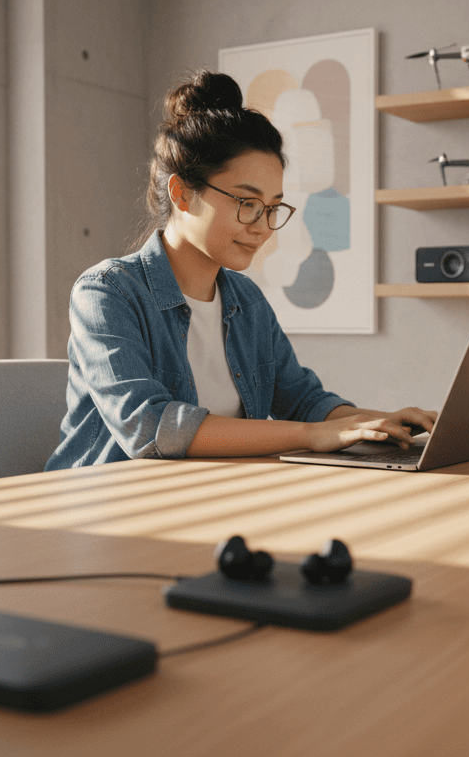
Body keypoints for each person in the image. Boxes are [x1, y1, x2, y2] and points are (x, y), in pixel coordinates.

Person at [45, 71, 435, 470]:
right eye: (247, 203)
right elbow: (149, 427)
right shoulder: (107, 293)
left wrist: (376, 423)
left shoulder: (245, 299)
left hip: (213, 496)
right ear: (182, 193)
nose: (263, 226)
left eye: (272, 208)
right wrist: (309, 436)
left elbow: (302, 400)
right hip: (103, 507)